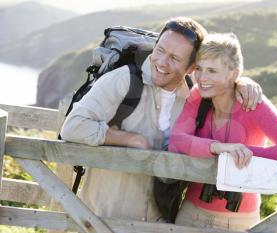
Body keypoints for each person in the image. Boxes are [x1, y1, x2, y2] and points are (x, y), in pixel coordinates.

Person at [60, 18, 262, 222]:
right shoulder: (124, 79)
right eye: (160, 50)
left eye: (175, 58)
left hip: (160, 224)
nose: (162, 62)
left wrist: (241, 83)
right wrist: (129, 139)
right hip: (104, 220)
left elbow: (223, 85)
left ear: (192, 67)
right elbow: (73, 127)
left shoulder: (196, 99)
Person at [168, 33, 277, 231]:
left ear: (233, 74)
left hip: (237, 220)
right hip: (191, 211)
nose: (202, 78)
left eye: (212, 70)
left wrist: (243, 152)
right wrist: (220, 148)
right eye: (199, 69)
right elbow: (176, 141)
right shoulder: (197, 97)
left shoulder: (253, 104)